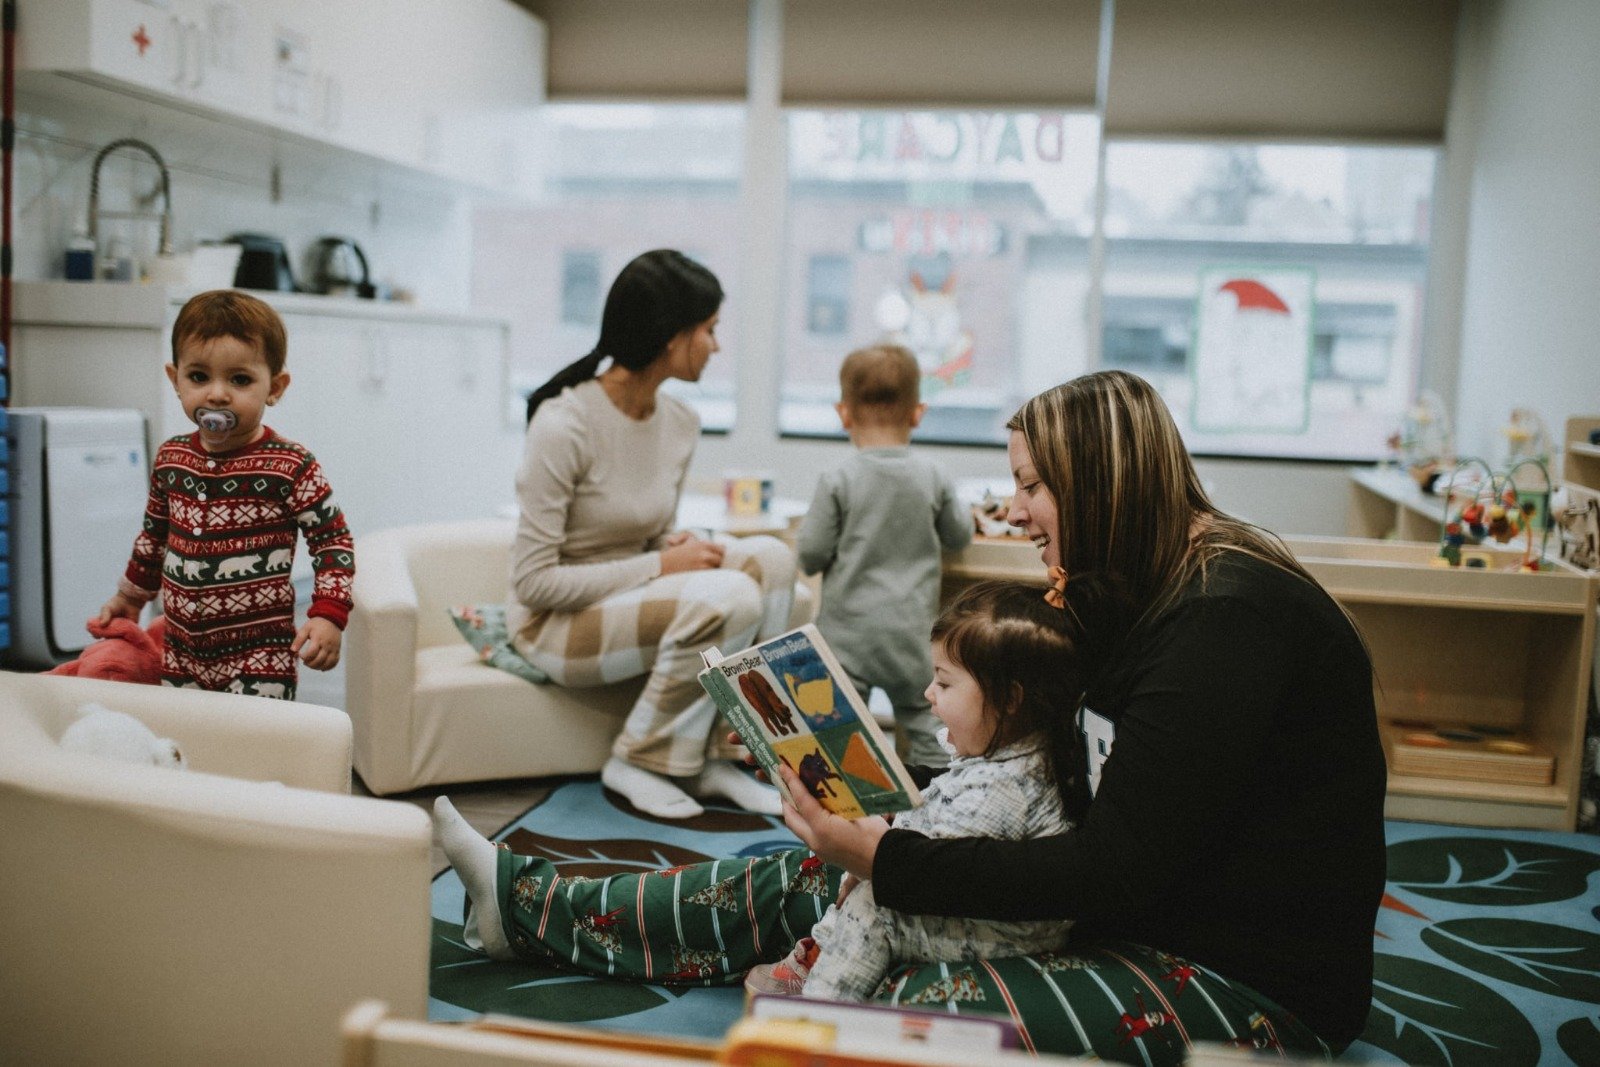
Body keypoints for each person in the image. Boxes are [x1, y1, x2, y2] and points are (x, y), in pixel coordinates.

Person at [436, 370, 1387, 1064]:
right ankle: (521, 905)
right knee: (808, 877)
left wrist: (888, 855)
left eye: (1033, 486)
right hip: (1117, 907)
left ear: (1100, 485)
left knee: (901, 1011)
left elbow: (1116, 863)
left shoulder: (1223, 618)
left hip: (1239, 975)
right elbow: (1054, 770)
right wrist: (894, 821)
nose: (1015, 513)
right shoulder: (1132, 583)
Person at [509, 249, 795, 820]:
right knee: (730, 596)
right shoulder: (564, 424)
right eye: (710, 330)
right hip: (554, 624)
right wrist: (661, 568)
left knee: (771, 560)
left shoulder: (679, 423)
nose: (716, 345)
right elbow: (534, 584)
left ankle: (716, 753)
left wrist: (670, 548)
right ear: (672, 336)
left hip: (625, 596)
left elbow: (645, 535)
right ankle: (641, 760)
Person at [760, 579, 1090, 1002]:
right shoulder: (1003, 753)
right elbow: (934, 816)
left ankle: (820, 1007)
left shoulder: (1007, 791)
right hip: (979, 904)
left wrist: (866, 868)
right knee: (861, 874)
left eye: (945, 684)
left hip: (1004, 933)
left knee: (872, 907)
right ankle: (819, 951)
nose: (928, 694)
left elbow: (936, 871)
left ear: (1009, 699)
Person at [96, 289, 354, 699]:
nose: (217, 394)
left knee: (254, 747)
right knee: (190, 743)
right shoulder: (171, 458)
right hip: (181, 650)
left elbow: (334, 542)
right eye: (199, 376)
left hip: (260, 653)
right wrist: (130, 597)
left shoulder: (290, 465)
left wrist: (329, 615)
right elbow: (153, 538)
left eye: (240, 379)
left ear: (275, 386)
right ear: (175, 379)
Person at [795, 344, 973, 766]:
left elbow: (810, 555)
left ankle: (850, 817)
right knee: (927, 729)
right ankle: (934, 810)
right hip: (911, 637)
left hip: (846, 638)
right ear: (918, 412)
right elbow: (959, 535)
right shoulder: (933, 475)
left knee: (839, 738)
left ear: (844, 413)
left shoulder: (838, 479)